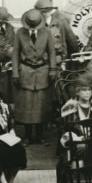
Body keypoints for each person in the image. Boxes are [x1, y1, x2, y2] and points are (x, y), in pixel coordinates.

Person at [12, 9, 57, 144]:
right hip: (25, 72)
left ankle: (39, 136)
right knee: (27, 106)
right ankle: (27, 136)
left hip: (42, 72)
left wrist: (52, 70)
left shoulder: (47, 32)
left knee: (41, 105)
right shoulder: (19, 33)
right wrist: (15, 73)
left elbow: (52, 52)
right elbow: (15, 54)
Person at [34, 0, 80, 67]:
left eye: (45, 12)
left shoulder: (60, 21)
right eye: (41, 12)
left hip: (57, 61)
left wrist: (67, 60)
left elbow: (70, 41)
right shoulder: (35, 23)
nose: (44, 14)